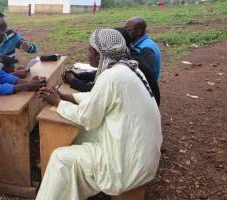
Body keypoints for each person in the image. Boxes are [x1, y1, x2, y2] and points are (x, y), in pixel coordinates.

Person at [36, 29, 162, 199]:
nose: (88, 55)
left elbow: (87, 117)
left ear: (99, 54)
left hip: (125, 167)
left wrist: (58, 102)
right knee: (87, 135)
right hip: (143, 159)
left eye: (89, 50)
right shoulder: (130, 68)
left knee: (60, 158)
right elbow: (98, 98)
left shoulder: (111, 77)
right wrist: (67, 96)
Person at [63, 27, 160, 105]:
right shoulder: (128, 61)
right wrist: (78, 75)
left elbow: (94, 99)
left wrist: (72, 82)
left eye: (90, 50)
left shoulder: (115, 74)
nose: (88, 55)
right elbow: (98, 76)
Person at [125, 16, 162, 81]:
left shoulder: (146, 49)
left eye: (128, 30)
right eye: (124, 28)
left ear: (139, 31)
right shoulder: (137, 44)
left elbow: (146, 76)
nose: (125, 32)